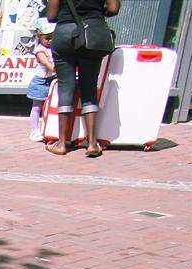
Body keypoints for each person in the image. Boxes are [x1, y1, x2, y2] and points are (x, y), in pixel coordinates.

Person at [45, 0, 120, 157]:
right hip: (91, 33)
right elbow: (113, 9)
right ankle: (92, 143)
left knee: (66, 86)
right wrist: (96, 13)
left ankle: (61, 143)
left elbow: (51, 15)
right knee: (89, 88)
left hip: (65, 33)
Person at [26, 18, 56, 142]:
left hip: (53, 80)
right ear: (39, 36)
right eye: (47, 37)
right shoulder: (40, 50)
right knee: (37, 107)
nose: (50, 40)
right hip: (41, 81)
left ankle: (48, 129)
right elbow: (49, 65)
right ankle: (34, 130)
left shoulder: (55, 47)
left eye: (53, 37)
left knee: (50, 107)